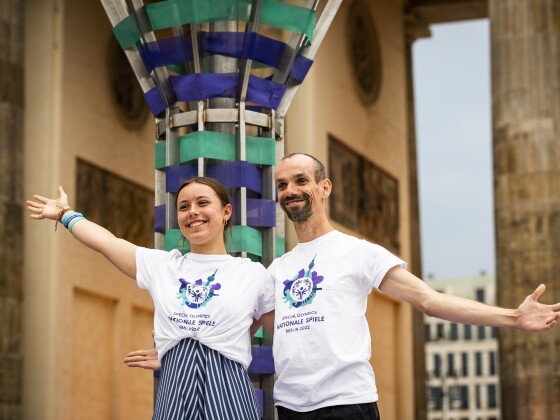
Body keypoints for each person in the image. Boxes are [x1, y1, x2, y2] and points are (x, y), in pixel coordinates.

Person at [127, 153, 560, 420]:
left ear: (324, 187)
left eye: (300, 181)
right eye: (282, 185)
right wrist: (176, 349)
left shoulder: (360, 253)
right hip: (290, 407)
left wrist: (512, 318)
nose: (290, 190)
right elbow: (226, 327)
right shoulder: (275, 270)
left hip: (347, 405)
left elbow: (428, 300)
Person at [26, 177, 275, 420]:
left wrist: (218, 342)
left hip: (229, 392)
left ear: (226, 212)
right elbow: (106, 242)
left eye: (202, 203)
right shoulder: (163, 266)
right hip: (175, 388)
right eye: (184, 206)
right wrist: (64, 214)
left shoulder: (252, 273)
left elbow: (283, 333)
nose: (192, 212)